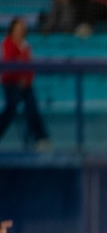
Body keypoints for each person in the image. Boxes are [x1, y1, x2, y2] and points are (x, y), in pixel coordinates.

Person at [0, 18, 50, 151]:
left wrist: (24, 79)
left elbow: (29, 68)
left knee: (32, 107)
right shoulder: (6, 44)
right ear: (13, 28)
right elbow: (8, 64)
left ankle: (41, 138)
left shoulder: (26, 45)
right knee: (11, 109)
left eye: (23, 27)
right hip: (10, 83)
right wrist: (19, 76)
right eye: (19, 27)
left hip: (25, 85)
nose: (21, 30)